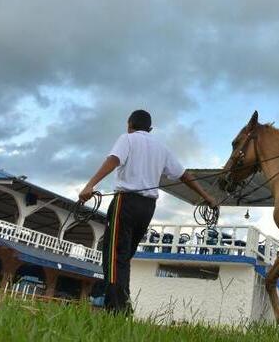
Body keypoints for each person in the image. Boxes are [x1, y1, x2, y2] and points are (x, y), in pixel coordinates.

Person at [79, 109, 218, 313]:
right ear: (150, 129)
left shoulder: (127, 138)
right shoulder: (162, 148)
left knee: (115, 256)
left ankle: (117, 310)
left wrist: (90, 185)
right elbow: (184, 175)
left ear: (129, 124)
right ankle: (122, 305)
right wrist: (207, 197)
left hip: (126, 202)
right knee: (124, 257)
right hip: (147, 208)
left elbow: (114, 160)